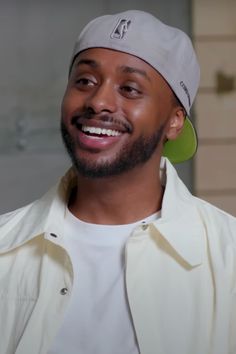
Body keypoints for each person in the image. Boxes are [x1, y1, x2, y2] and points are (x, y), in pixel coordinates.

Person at [0, 9, 235, 354]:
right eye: (85, 81)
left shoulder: (228, 257)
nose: (98, 102)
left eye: (130, 88)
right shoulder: (5, 249)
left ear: (174, 121)